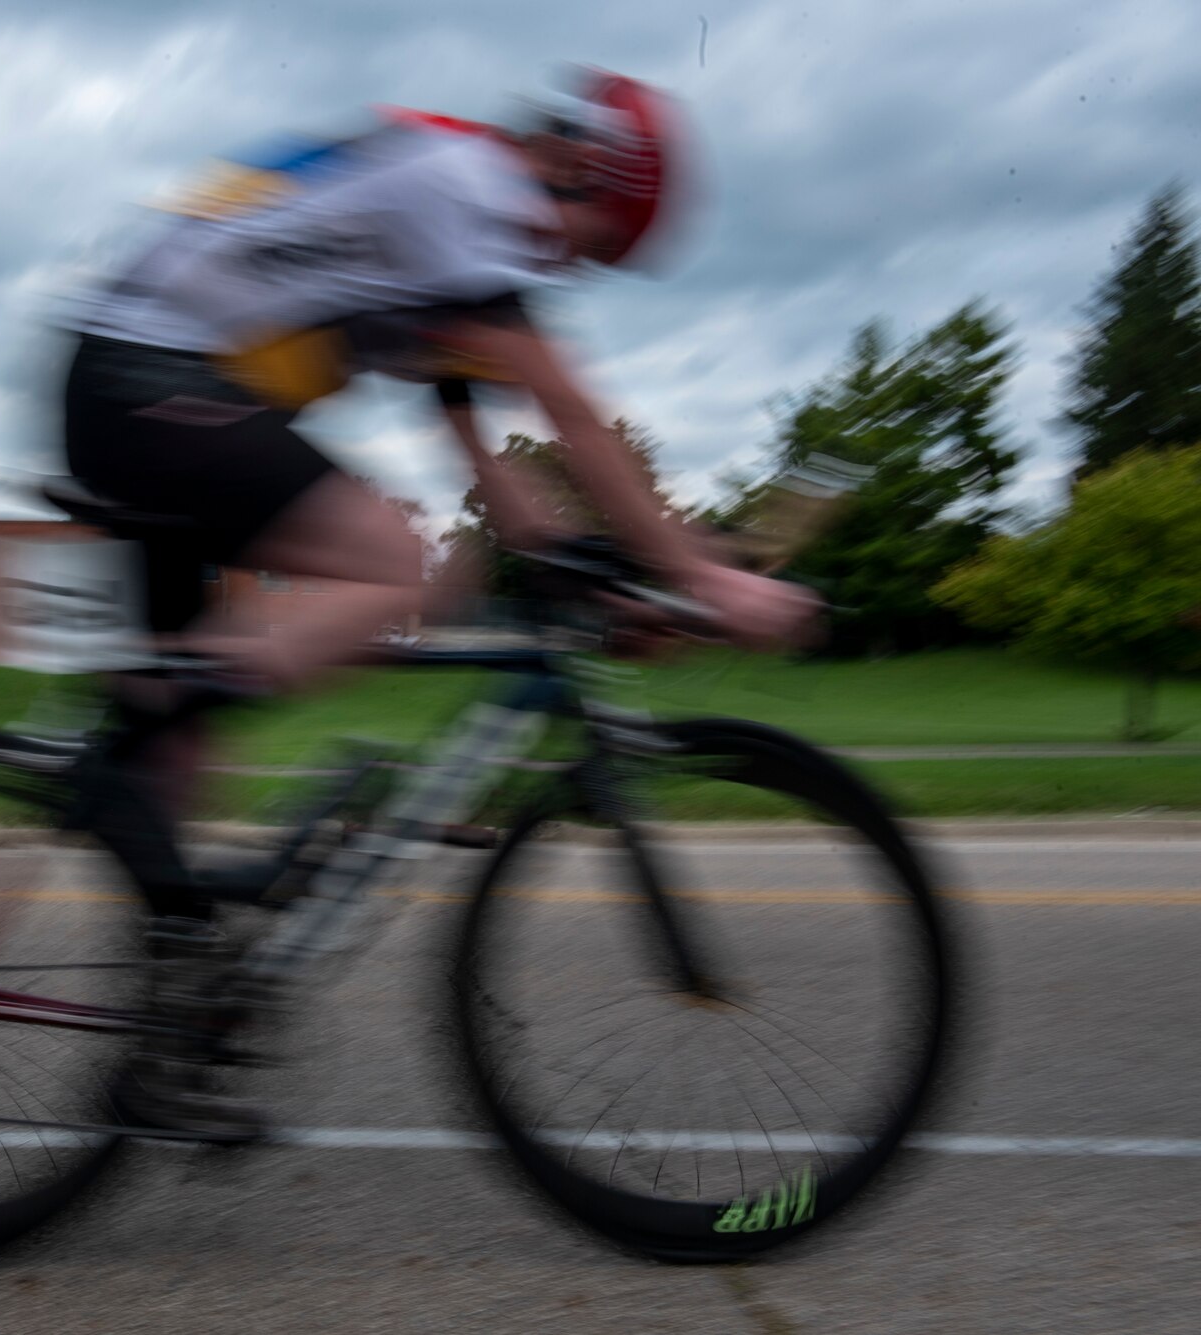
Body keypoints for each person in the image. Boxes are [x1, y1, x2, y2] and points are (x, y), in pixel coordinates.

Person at [51, 69, 818, 1135]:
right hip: (150, 376)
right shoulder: (462, 183)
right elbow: (573, 416)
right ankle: (148, 707)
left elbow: (490, 462)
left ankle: (163, 1035)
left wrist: (594, 570)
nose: (560, 267)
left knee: (181, 750)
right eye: (582, 237)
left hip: (141, 376)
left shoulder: (431, 233)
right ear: (571, 165)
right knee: (395, 570)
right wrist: (700, 578)